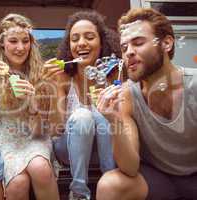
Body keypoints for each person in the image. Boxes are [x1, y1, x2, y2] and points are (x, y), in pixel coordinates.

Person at [95, 8, 197, 200]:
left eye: (138, 43)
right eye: (124, 48)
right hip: (158, 180)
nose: (129, 53)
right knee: (111, 186)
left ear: (166, 43)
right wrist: (114, 120)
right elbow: (130, 167)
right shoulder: (127, 94)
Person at [42, 11, 123, 200]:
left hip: (107, 151)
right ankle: (78, 192)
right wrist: (53, 87)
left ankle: (110, 182)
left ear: (102, 43)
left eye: (89, 37)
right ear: (69, 47)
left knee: (102, 112)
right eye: (74, 39)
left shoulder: (114, 75)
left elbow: (120, 124)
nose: (81, 43)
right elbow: (56, 129)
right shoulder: (62, 77)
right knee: (82, 116)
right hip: (68, 150)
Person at [0, 13, 59, 200]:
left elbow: (42, 129)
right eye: (13, 41)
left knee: (40, 169)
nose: (20, 47)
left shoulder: (41, 72)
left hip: (35, 136)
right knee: (17, 183)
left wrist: (32, 103)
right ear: (2, 44)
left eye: (25, 41)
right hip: (7, 139)